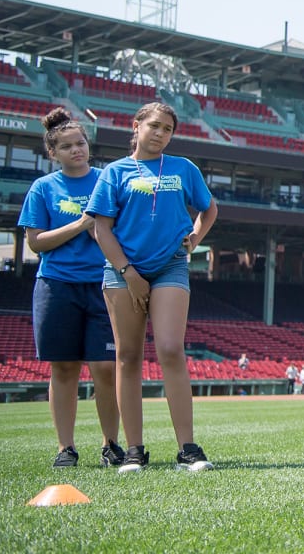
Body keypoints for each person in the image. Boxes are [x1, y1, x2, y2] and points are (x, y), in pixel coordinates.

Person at [89, 102, 219, 472]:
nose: (161, 133)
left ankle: (188, 449)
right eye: (155, 126)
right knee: (128, 357)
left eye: (168, 129)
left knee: (170, 349)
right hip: (121, 272)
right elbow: (102, 228)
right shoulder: (114, 173)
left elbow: (208, 208)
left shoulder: (183, 169)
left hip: (170, 268)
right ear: (137, 126)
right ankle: (134, 450)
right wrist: (128, 272)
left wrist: (195, 237)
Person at [18, 108, 124, 468]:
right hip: (56, 285)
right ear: (54, 153)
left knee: (105, 369)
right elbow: (36, 243)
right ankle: (66, 447)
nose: (76, 150)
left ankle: (111, 444)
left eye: (80, 143)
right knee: (63, 368)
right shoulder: (43, 188)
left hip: (104, 285)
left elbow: (120, 230)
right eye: (67, 146)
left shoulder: (107, 181)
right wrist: (82, 223)